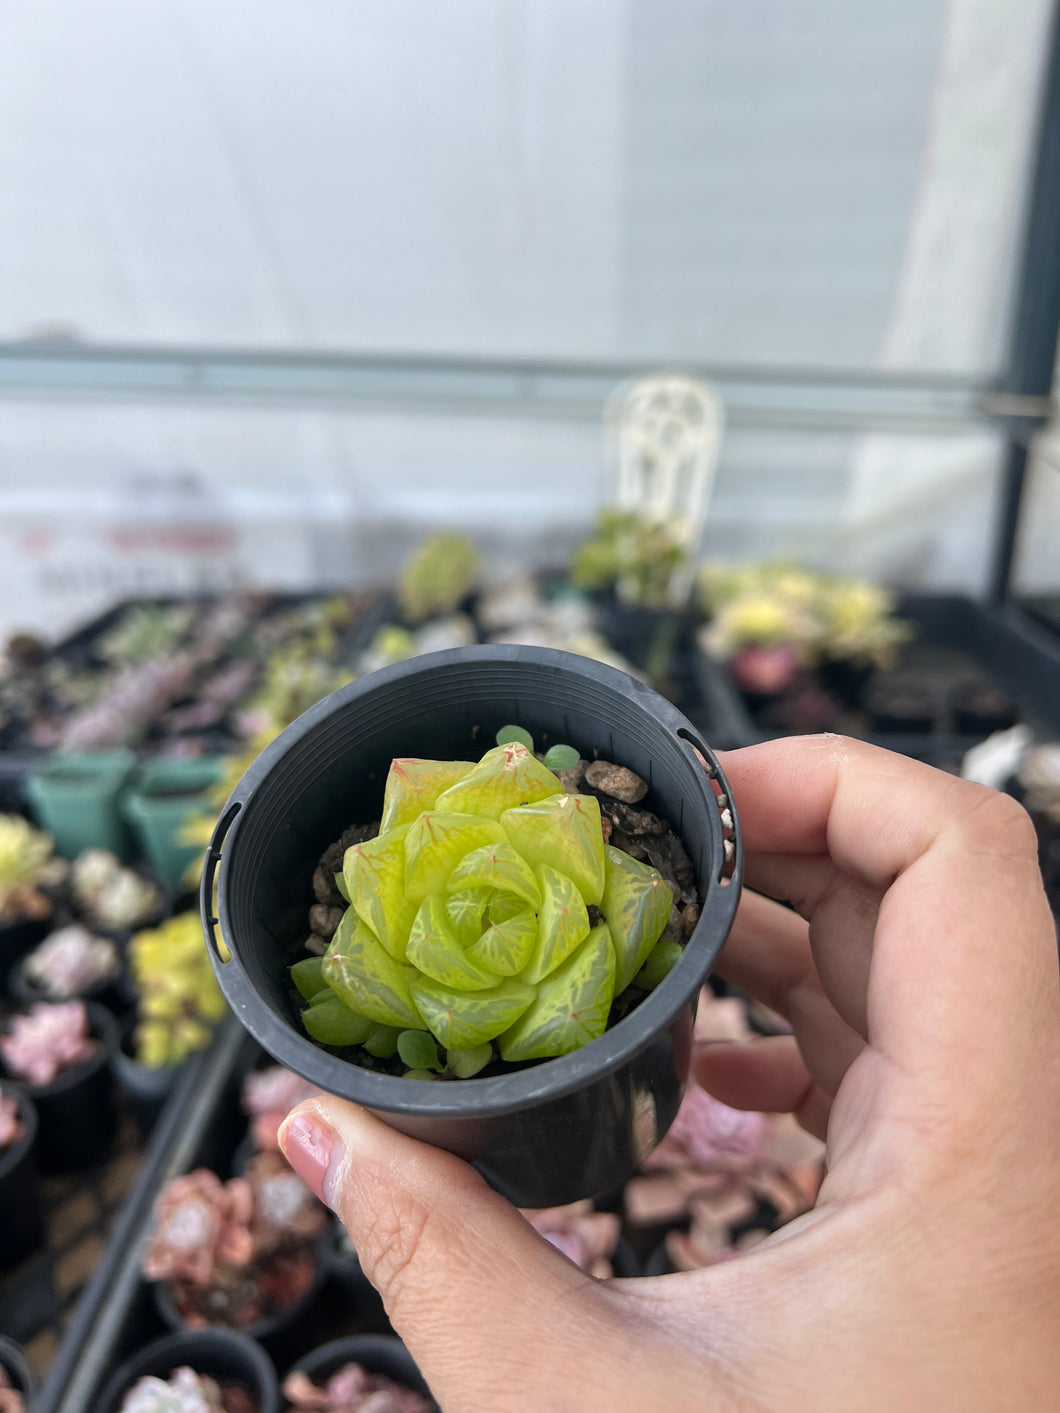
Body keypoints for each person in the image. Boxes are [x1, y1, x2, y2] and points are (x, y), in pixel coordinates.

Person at [279, 734, 1060, 1412]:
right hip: (453, 1022)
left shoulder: (582, 870)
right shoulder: (389, 962)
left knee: (648, 906)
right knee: (370, 980)